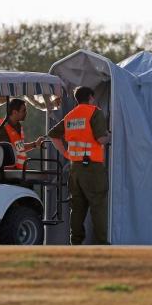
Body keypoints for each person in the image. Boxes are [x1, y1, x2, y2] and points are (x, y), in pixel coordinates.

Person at [48, 86, 111, 245]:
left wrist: (66, 154)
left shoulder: (70, 116)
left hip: (74, 168)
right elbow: (101, 139)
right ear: (90, 97)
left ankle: (75, 242)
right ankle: (102, 243)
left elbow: (53, 135)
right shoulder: (94, 112)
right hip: (92, 168)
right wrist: (110, 136)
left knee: (77, 208)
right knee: (98, 205)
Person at [0, 98, 43, 169]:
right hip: (6, 171)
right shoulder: (1, 128)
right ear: (14, 112)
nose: (26, 113)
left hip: (18, 171)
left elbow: (19, 148)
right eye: (23, 110)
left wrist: (35, 144)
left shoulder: (17, 127)